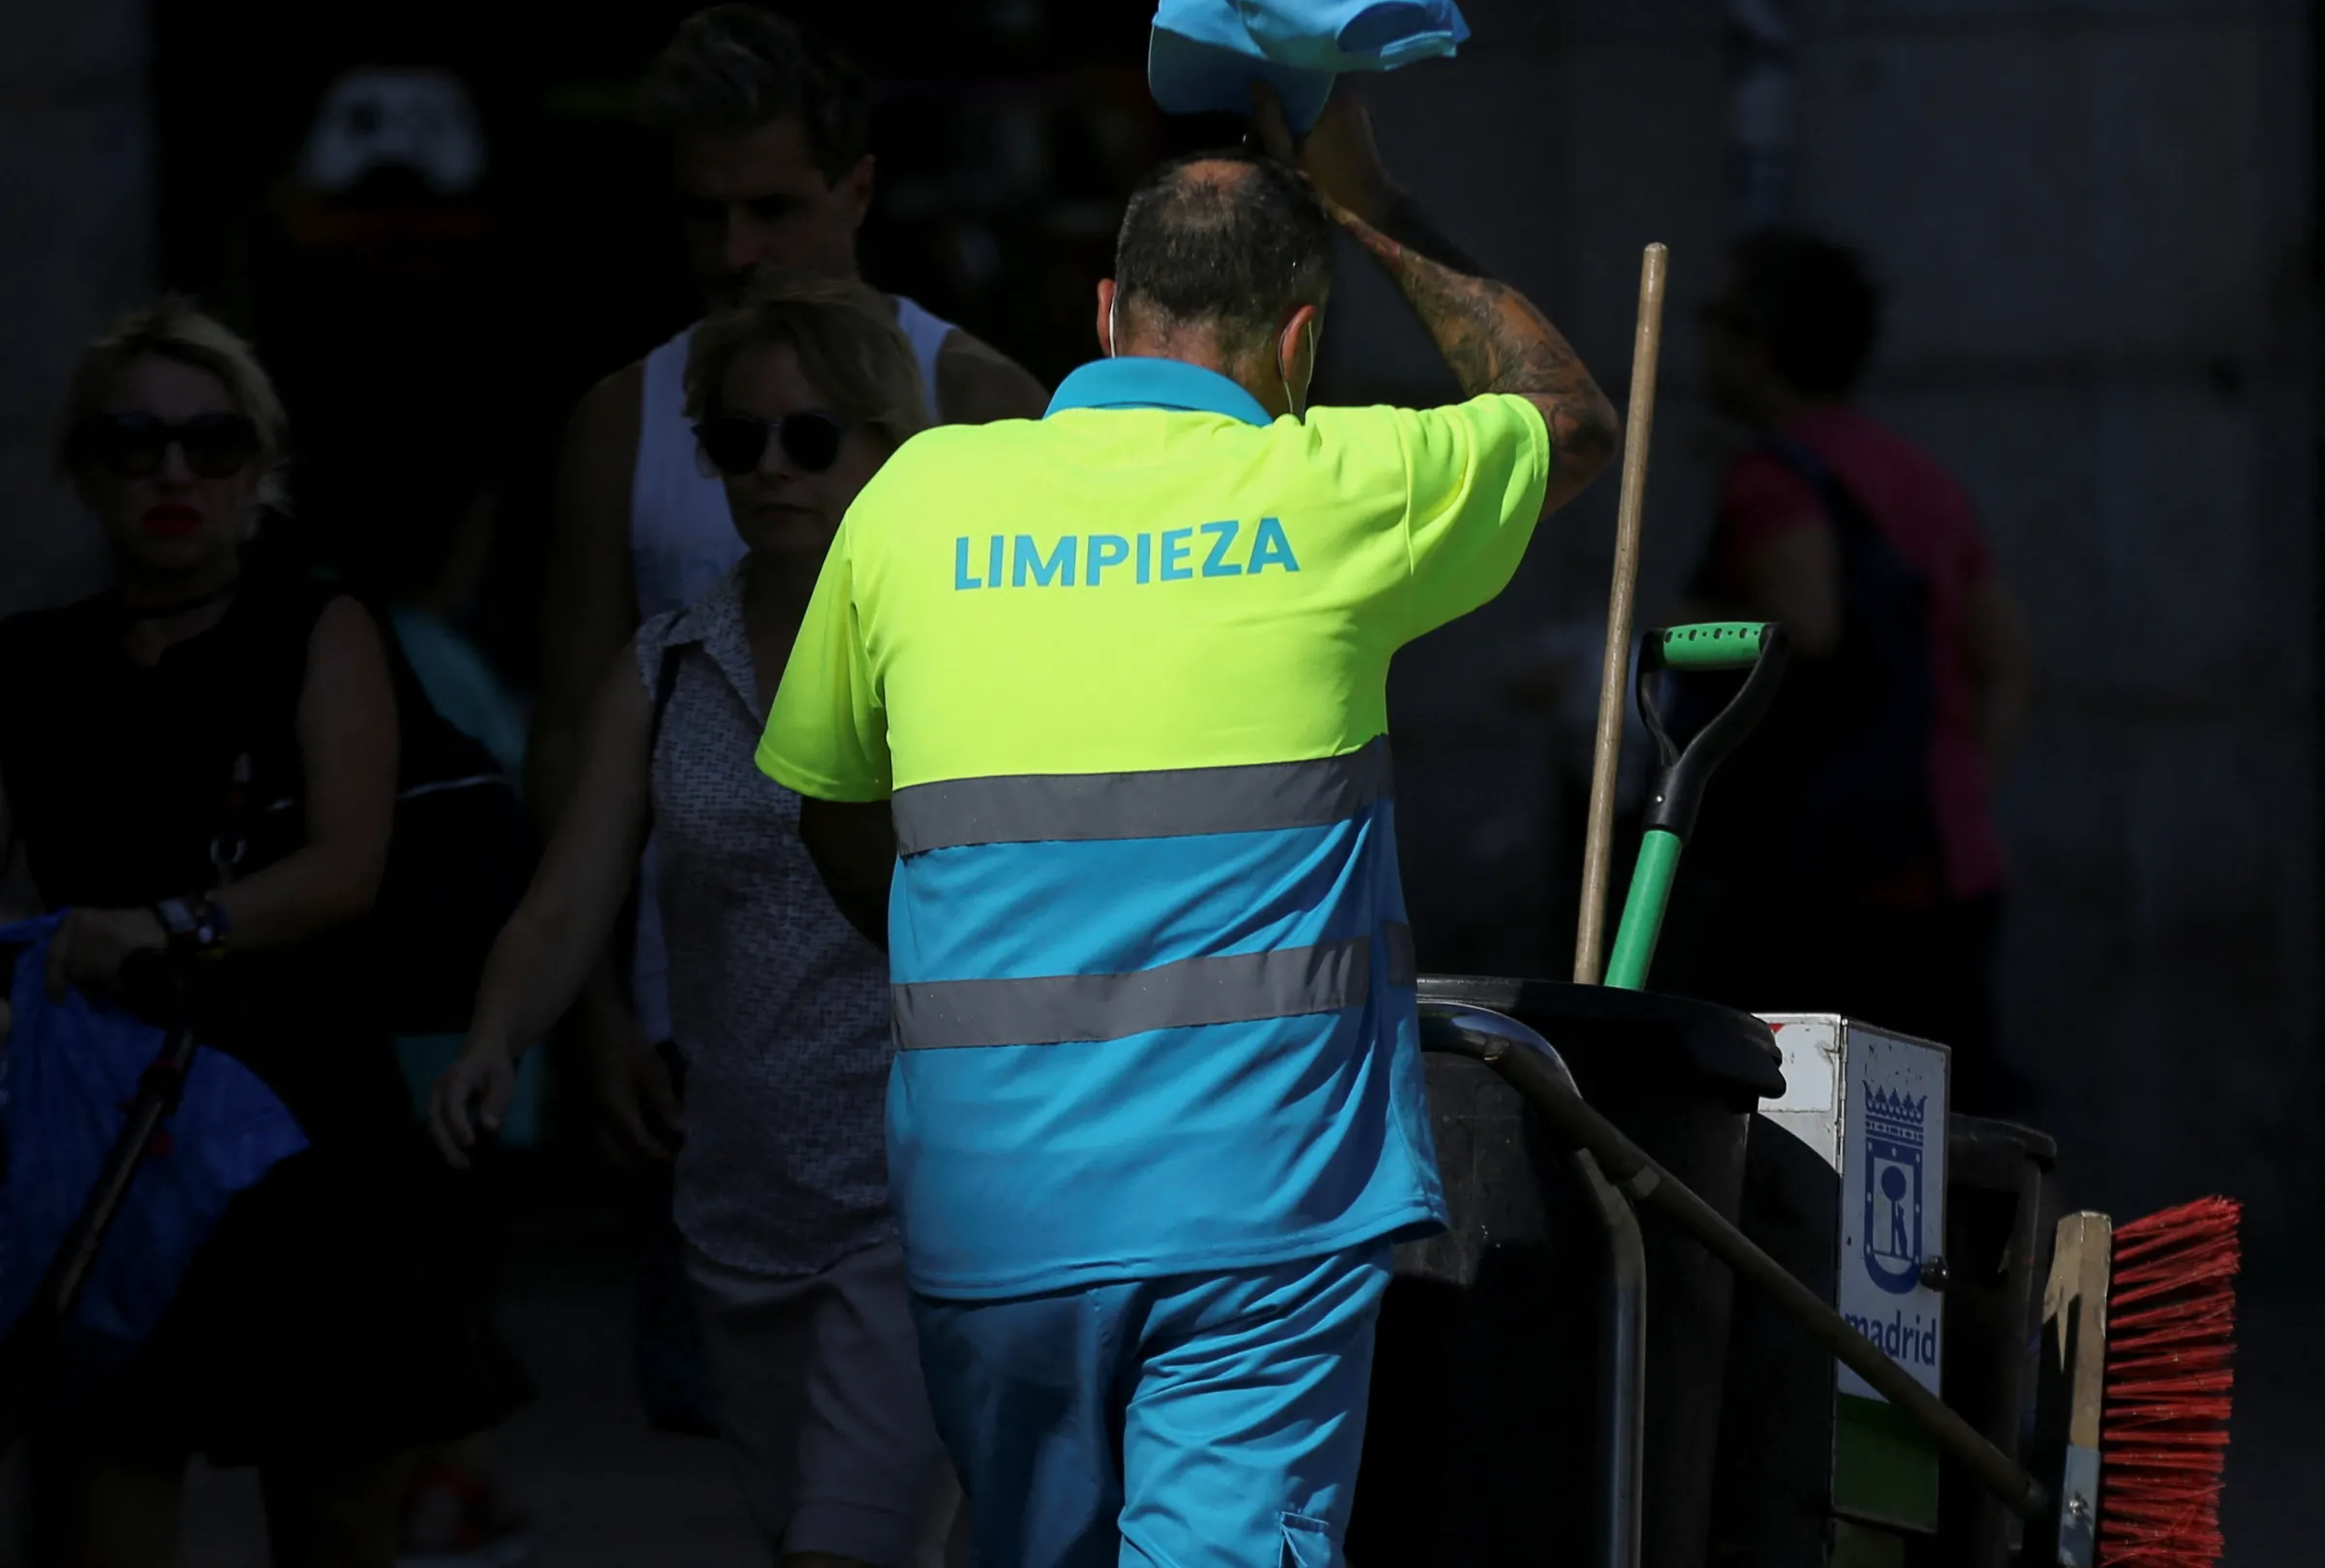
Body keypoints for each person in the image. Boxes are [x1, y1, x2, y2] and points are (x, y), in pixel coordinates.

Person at [756, 82, 1620, 1567]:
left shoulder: (915, 496)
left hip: (994, 1199)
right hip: (1256, 1203)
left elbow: (832, 806)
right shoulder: (1338, 486)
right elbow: (1567, 418)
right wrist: (1372, 206)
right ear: (1298, 343)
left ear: (1105, 311)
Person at [432, 275, 958, 1567]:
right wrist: (500, 1034)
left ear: (887, 446)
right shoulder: (668, 664)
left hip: (921, 1199)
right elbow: (568, 894)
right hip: (739, 1206)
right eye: (737, 439)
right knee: (814, 1535)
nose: (771, 468)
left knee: (845, 1542)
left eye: (810, 436)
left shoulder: (952, 650)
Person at [0, 301, 524, 1568]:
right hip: (101, 1128)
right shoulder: (32, 659)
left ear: (260, 468)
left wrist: (164, 923)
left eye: (212, 443)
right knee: (96, 1492)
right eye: (135, 443)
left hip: (306, 1124)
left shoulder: (316, 626)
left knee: (337, 1511)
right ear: (84, 467)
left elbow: (347, 868)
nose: (174, 472)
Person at [532, 7, 1050, 1165]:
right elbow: (568, 738)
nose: (736, 252)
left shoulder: (979, 399)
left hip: (950, 1022)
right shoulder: (624, 419)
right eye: (702, 214)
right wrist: (596, 1016)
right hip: (701, 1032)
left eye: (772, 209)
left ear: (857, 192)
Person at [1666, 230, 2034, 1108]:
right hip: (1946, 859)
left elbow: (1806, 625)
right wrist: (1959, 786)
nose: (1699, 342)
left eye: (1712, 320)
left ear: (1758, 341)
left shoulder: (1772, 478)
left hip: (1835, 878)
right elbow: (2009, 659)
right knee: (1964, 1118)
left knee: (1797, 1128)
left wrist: (1664, 632)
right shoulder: (1914, 475)